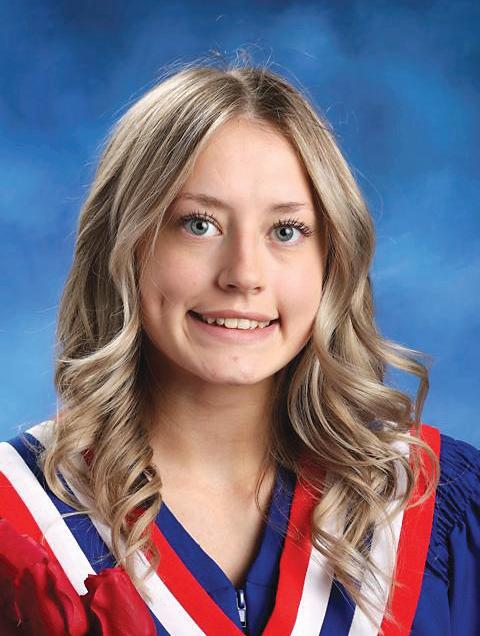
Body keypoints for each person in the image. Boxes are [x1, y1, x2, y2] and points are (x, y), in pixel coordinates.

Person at [1, 59, 479, 635]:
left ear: (331, 261)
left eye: (286, 231)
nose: (244, 275)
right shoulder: (17, 523)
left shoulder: (436, 506)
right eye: (198, 224)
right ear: (125, 247)